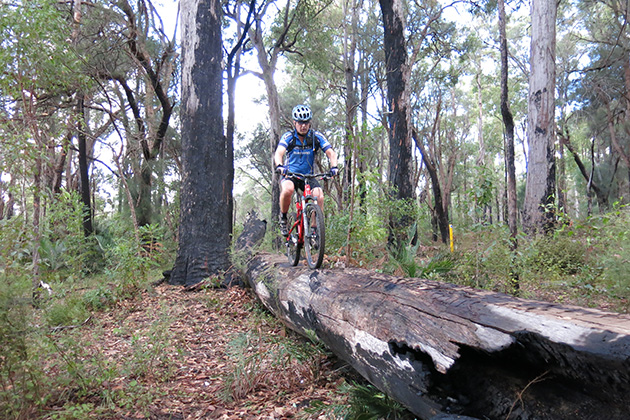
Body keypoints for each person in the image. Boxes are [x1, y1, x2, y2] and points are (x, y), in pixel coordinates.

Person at [274, 104, 338, 236]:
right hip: (290, 174)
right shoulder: (289, 137)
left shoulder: (316, 137)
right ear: (294, 123)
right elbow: (279, 152)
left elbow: (331, 153)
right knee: (288, 190)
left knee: (319, 195)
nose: (303, 126)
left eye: (306, 123)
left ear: (310, 123)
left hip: (308, 176)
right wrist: (280, 166)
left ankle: (314, 229)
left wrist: (334, 167)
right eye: (300, 123)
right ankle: (284, 218)